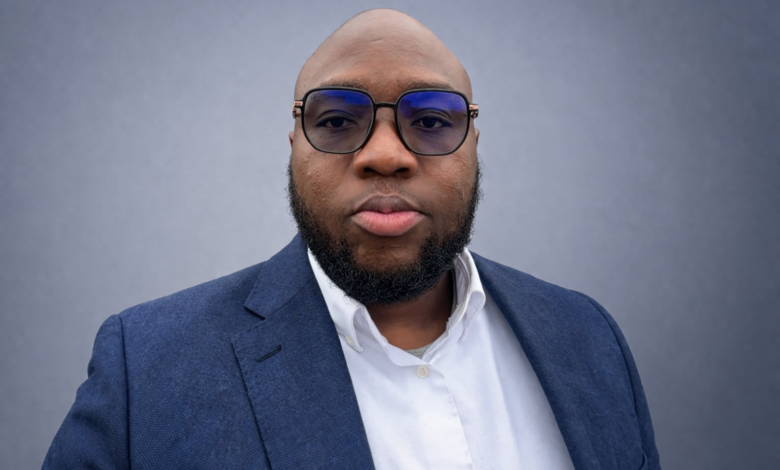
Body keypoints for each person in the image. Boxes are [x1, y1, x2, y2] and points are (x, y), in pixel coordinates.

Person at [43, 9, 660, 470]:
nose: (385, 155)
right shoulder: (147, 368)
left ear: (474, 144)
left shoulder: (588, 337)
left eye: (431, 120)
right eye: (338, 120)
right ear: (294, 145)